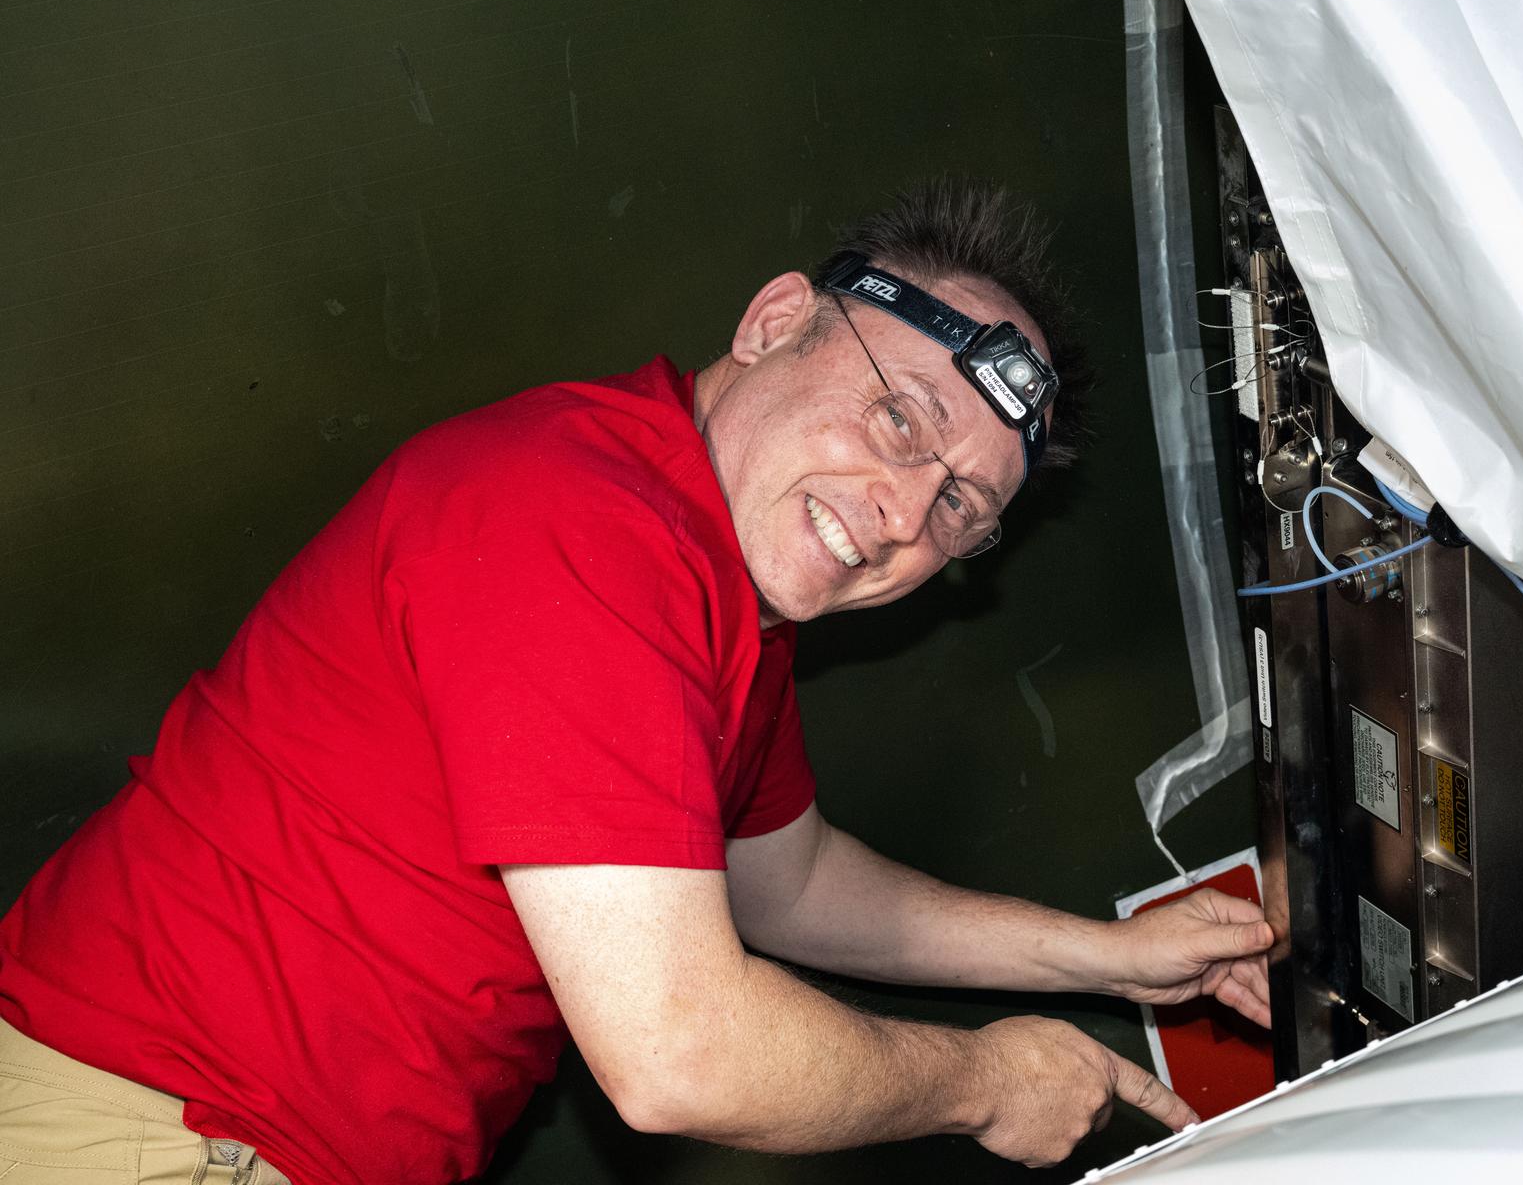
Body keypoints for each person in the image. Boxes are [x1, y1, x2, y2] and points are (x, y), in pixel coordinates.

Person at [0, 180, 1274, 1185]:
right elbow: (681, 1055)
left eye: (960, 506)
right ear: (777, 322)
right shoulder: (585, 527)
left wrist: (1108, 961)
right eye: (900, 419)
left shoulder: (719, 577)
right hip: (163, 1126)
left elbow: (795, 880)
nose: (902, 511)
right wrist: (986, 1082)